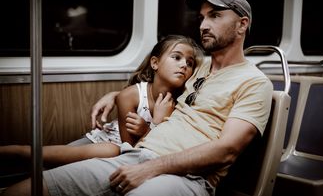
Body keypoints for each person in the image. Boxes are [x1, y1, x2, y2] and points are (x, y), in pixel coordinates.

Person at [1, 0, 273, 196]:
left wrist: (152, 168)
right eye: (202, 17)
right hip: (135, 154)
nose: (202, 25)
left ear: (242, 24)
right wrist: (117, 95)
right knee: (32, 187)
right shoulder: (197, 66)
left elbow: (226, 150)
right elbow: (156, 78)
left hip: (187, 177)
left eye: (214, 16)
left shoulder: (254, 82)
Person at [0, 34, 202, 167]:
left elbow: (164, 147)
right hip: (107, 141)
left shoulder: (181, 103)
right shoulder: (130, 95)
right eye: (176, 57)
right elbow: (128, 149)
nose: (184, 65)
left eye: (190, 63)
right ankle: (11, 152)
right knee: (41, 156)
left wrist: (149, 128)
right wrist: (152, 128)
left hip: (126, 150)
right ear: (155, 63)